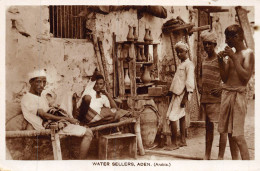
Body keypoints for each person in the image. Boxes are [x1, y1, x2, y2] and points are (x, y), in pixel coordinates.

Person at [21, 69, 93, 159]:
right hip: (48, 126)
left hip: (53, 121)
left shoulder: (40, 95)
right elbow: (44, 115)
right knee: (88, 133)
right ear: (31, 82)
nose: (42, 85)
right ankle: (80, 163)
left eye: (44, 82)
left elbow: (48, 110)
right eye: (38, 82)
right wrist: (68, 119)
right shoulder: (28, 98)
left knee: (69, 96)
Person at [217, 24, 254, 160]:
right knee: (230, 134)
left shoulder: (248, 54)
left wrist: (233, 58)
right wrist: (221, 61)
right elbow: (225, 78)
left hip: (238, 95)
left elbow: (245, 77)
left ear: (237, 37)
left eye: (228, 39)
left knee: (238, 135)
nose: (226, 42)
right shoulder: (233, 54)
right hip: (227, 94)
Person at [200, 30, 228, 160]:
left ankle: (220, 157)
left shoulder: (220, 59)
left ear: (215, 44)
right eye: (205, 44)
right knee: (208, 128)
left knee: (221, 128)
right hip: (206, 99)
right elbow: (201, 78)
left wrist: (221, 87)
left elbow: (227, 78)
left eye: (209, 44)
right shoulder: (204, 61)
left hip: (217, 100)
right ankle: (207, 155)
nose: (207, 47)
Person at [166, 41, 195, 150]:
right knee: (181, 116)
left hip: (182, 94)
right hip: (176, 93)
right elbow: (178, 80)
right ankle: (183, 140)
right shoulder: (181, 64)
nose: (179, 54)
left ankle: (174, 142)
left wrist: (185, 98)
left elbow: (189, 82)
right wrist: (171, 91)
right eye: (177, 52)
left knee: (173, 117)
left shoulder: (189, 65)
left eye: (181, 52)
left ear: (186, 51)